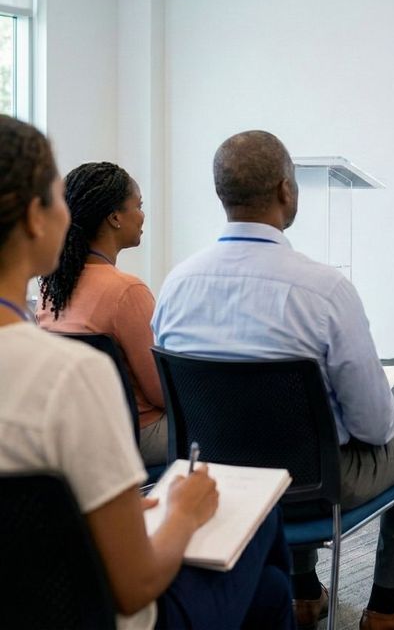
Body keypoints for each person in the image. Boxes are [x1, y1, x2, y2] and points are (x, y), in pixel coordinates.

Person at [0, 115, 295, 630]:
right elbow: (135, 584)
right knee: (257, 513)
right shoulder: (72, 374)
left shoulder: (51, 297)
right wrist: (181, 511)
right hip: (105, 612)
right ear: (33, 217)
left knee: (268, 592)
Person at [152, 130, 394, 630]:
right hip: (314, 488)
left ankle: (304, 593)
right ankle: (387, 609)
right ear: (288, 191)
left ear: (221, 194)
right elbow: (375, 428)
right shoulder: (324, 289)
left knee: (296, 435)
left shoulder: (177, 284)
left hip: (214, 481)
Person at [38, 162, 167, 466]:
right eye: (139, 205)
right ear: (115, 218)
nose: (143, 215)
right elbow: (161, 394)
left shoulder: (50, 288)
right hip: (136, 436)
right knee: (222, 427)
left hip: (76, 437)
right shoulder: (127, 291)